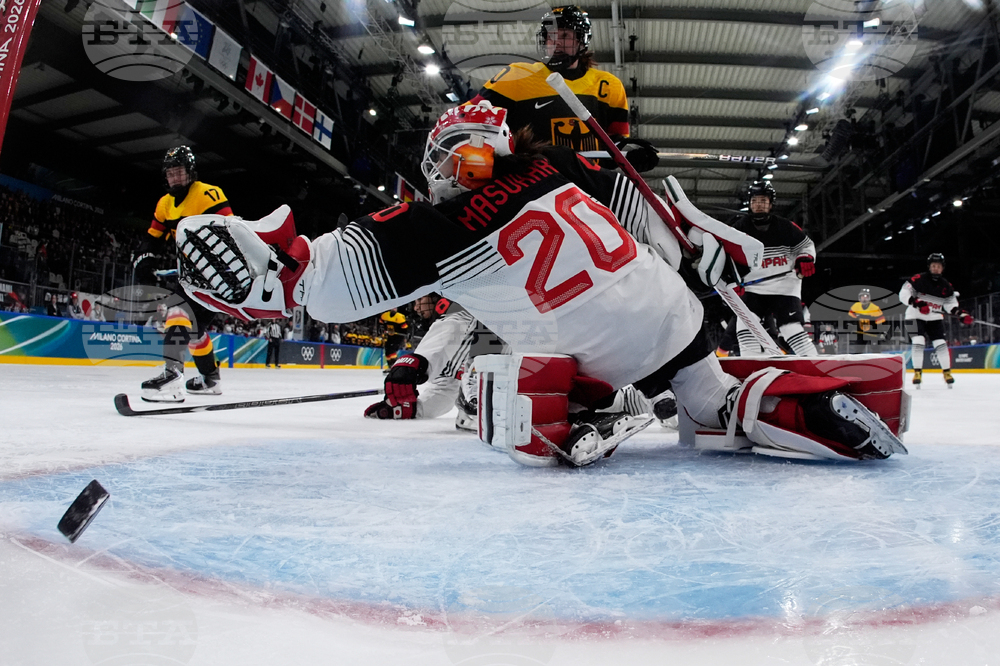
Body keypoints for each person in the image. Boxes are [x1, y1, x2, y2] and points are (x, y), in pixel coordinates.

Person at [174, 101, 905, 467]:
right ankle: (775, 404)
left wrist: (278, 266)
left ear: (452, 158)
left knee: (483, 392)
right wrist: (696, 252)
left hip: (598, 354)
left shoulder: (439, 227)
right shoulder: (563, 168)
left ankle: (596, 410)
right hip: (682, 322)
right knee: (710, 399)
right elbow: (649, 214)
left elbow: (317, 282)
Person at [468, 6, 653, 168]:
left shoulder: (608, 85)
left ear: (581, 40)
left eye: (565, 36)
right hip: (531, 185)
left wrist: (632, 154)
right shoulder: (516, 75)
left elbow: (613, 146)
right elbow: (467, 117)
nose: (556, 43)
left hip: (589, 189)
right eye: (551, 36)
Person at [132, 146, 232, 401]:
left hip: (215, 274)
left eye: (180, 172)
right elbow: (153, 238)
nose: (175, 178)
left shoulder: (208, 195)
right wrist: (145, 260)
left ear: (191, 173)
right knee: (195, 330)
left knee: (177, 310)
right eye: (171, 173)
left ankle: (172, 375)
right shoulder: (164, 205)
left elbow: (233, 231)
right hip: (191, 275)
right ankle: (211, 379)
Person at [729, 181, 818, 357]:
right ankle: (751, 369)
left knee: (791, 329)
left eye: (763, 200)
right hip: (753, 288)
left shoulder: (786, 226)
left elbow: (806, 246)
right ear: (750, 203)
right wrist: (732, 280)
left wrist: (804, 258)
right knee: (745, 325)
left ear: (771, 204)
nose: (759, 204)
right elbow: (727, 255)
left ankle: (815, 365)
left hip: (784, 287)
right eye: (755, 201)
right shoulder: (738, 228)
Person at [899, 253, 973, 388]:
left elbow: (951, 305)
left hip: (934, 318)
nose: (936, 269)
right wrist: (918, 304)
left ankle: (947, 372)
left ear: (942, 268)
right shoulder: (918, 279)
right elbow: (903, 294)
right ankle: (917, 373)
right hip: (914, 316)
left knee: (941, 343)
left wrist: (961, 314)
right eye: (933, 266)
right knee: (918, 341)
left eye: (938, 266)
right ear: (929, 267)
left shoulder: (946, 285)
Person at [848, 288, 885, 352]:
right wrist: (850, 326)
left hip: (872, 333)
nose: (864, 299)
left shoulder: (875, 308)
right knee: (858, 350)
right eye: (862, 297)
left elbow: (880, 321)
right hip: (861, 333)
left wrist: (881, 332)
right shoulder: (855, 306)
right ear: (859, 298)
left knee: (875, 349)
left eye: (866, 297)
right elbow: (850, 318)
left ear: (869, 298)